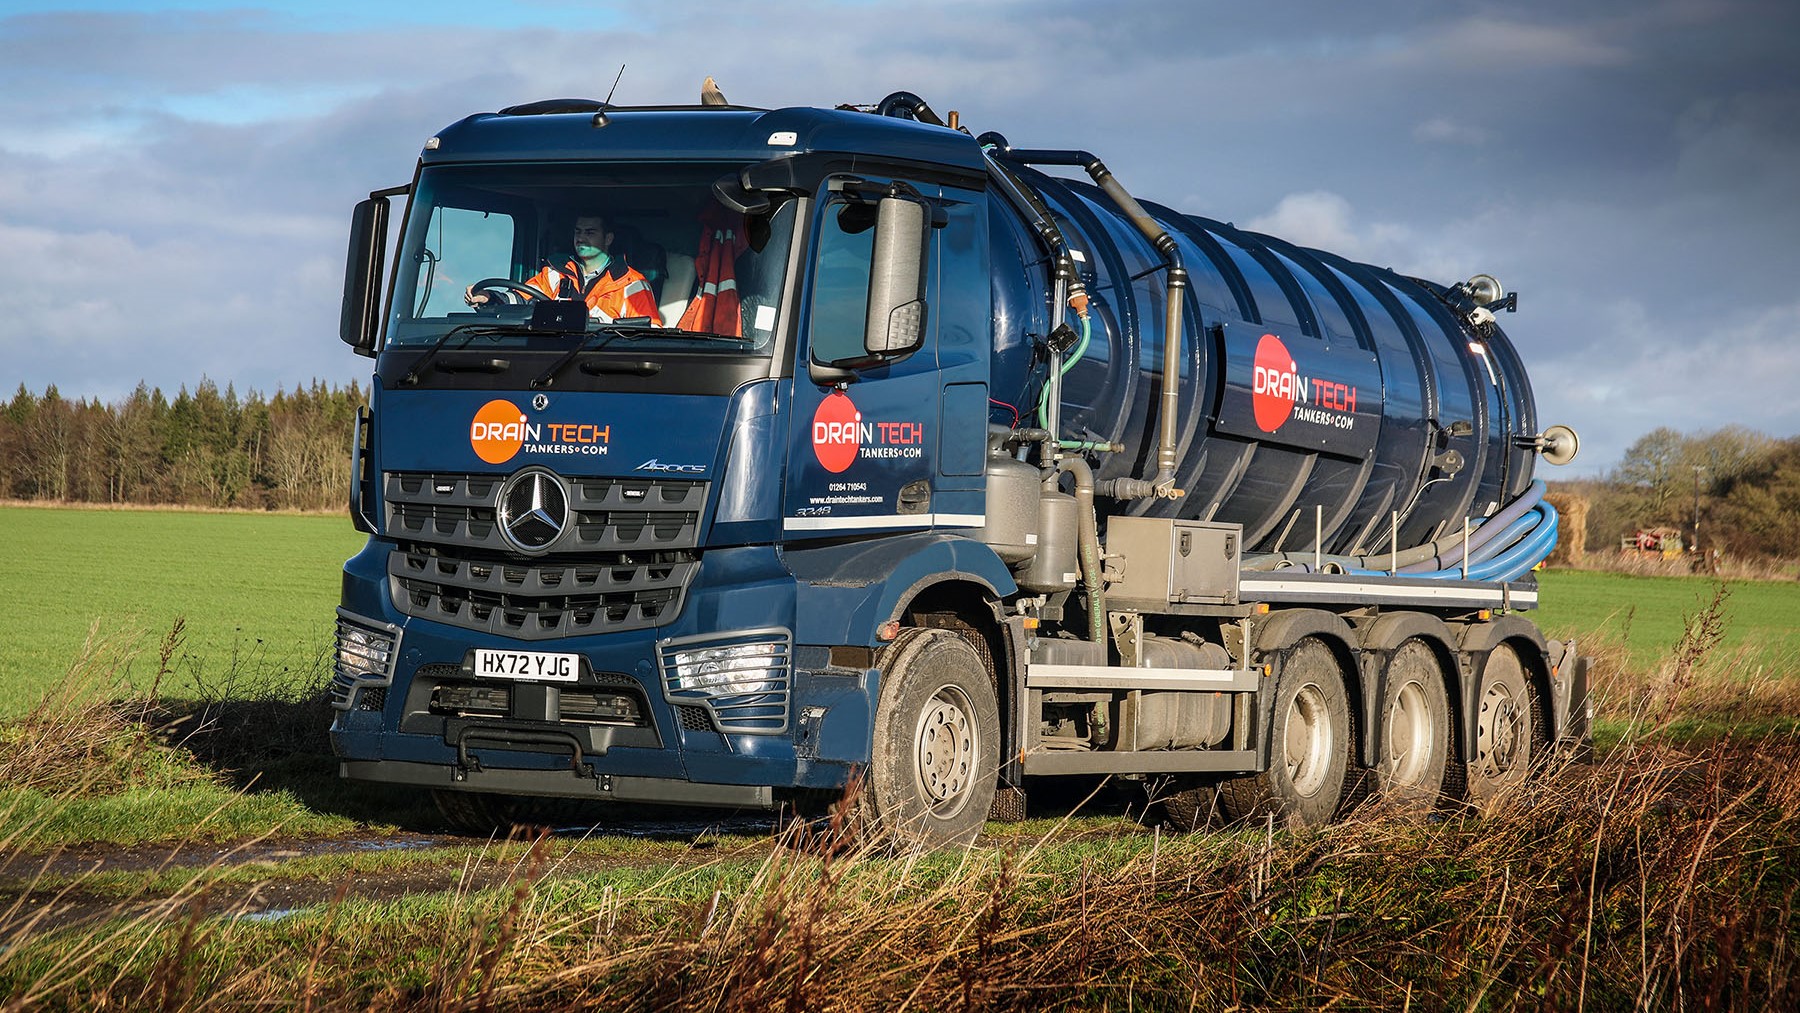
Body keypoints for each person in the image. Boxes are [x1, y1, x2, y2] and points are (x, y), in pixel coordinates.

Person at [465, 213, 663, 324]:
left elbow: (650, 335)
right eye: (578, 231)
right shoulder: (554, 273)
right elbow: (518, 300)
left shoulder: (632, 283)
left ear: (608, 238)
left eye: (590, 232)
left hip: (602, 369)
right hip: (550, 360)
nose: (581, 238)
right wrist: (488, 297)